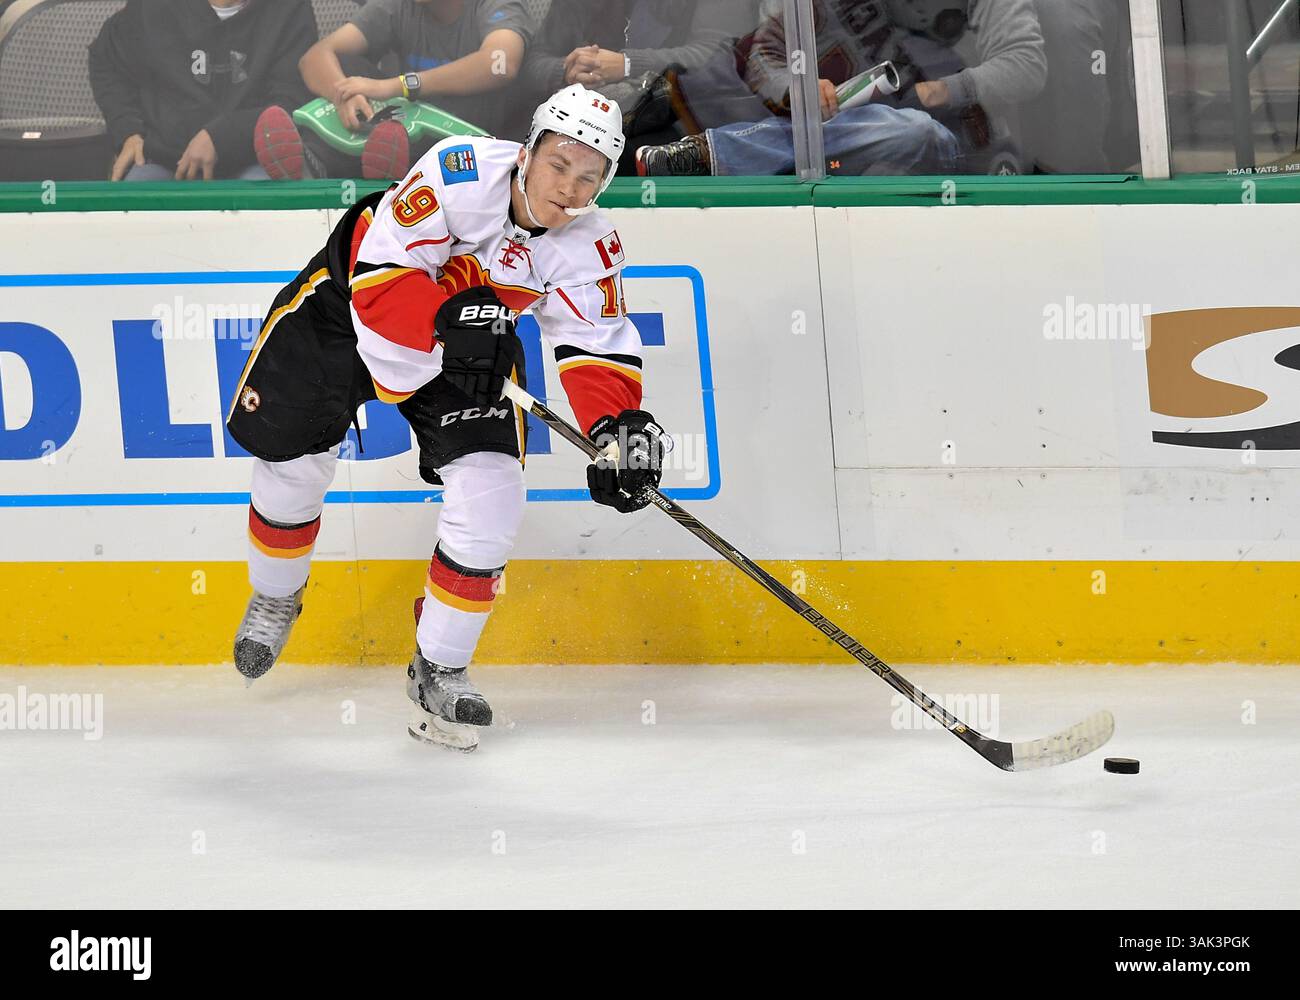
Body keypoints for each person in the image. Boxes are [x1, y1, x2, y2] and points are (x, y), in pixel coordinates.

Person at [227, 85, 668, 750]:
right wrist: (443, 321)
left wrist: (618, 428)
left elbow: (596, 343)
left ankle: (440, 666)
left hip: (466, 352)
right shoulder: (458, 172)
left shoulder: (591, 244)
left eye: (589, 177)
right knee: (292, 468)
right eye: (558, 166)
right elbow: (380, 279)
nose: (569, 191)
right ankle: (276, 594)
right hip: (345, 317)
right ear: (527, 152)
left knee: (492, 490)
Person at [255, 0, 533, 180]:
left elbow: (501, 64)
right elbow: (315, 56)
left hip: (472, 141)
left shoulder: (497, 5)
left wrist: (397, 86)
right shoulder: (398, 5)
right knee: (347, 68)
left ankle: (354, 167)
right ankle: (312, 166)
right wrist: (344, 95)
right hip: (401, 128)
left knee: (411, 128)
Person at [88, 0, 316, 181]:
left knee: (268, 210)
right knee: (132, 210)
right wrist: (128, 131)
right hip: (164, 160)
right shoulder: (150, 7)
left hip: (256, 159)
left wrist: (222, 137)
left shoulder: (290, 8)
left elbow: (293, 101)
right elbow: (107, 61)